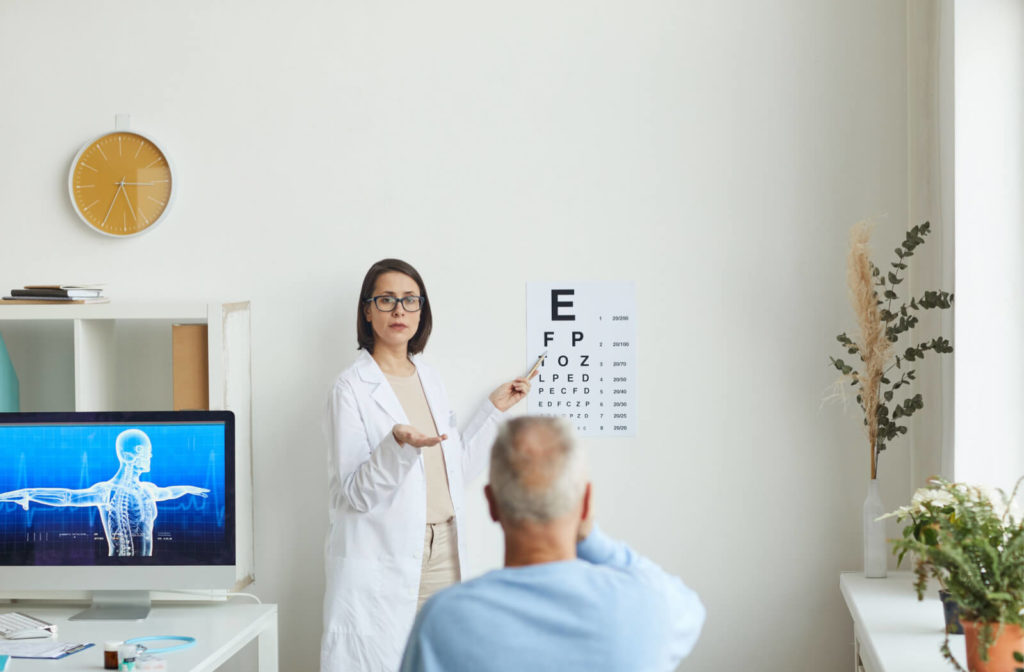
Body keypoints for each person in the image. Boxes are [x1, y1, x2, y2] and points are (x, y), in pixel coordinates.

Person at [321, 258, 534, 672]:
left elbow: (455, 471)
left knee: (442, 659)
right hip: (386, 551)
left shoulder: (429, 377)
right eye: (386, 300)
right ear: (367, 310)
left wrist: (494, 410)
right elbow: (354, 495)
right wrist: (397, 446)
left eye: (409, 300)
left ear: (422, 310)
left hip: (445, 548)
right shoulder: (350, 388)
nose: (399, 310)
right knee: (386, 660)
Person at [399, 416, 706, 672]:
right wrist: (590, 537)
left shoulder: (444, 620)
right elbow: (692, 608)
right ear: (586, 504)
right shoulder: (648, 606)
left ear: (491, 503)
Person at [0, 428, 209, 557]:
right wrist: (26, 494)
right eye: (147, 452)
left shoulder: (148, 490)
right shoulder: (106, 492)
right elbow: (68, 497)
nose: (151, 456)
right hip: (117, 567)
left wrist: (188, 488)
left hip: (146, 572)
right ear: (131, 455)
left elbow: (169, 492)